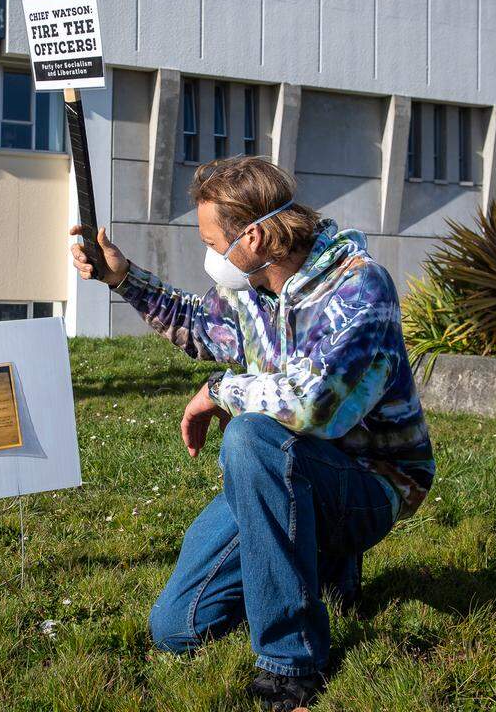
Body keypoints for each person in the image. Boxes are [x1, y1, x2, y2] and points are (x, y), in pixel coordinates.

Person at [69, 156, 435, 711]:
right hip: (284, 475)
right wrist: (122, 277)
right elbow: (198, 325)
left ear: (257, 236)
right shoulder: (253, 293)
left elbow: (320, 407)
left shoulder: (361, 287)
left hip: (369, 484)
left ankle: (291, 663)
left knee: (248, 438)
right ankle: (316, 564)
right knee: (177, 627)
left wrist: (221, 392)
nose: (211, 255)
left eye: (214, 242)